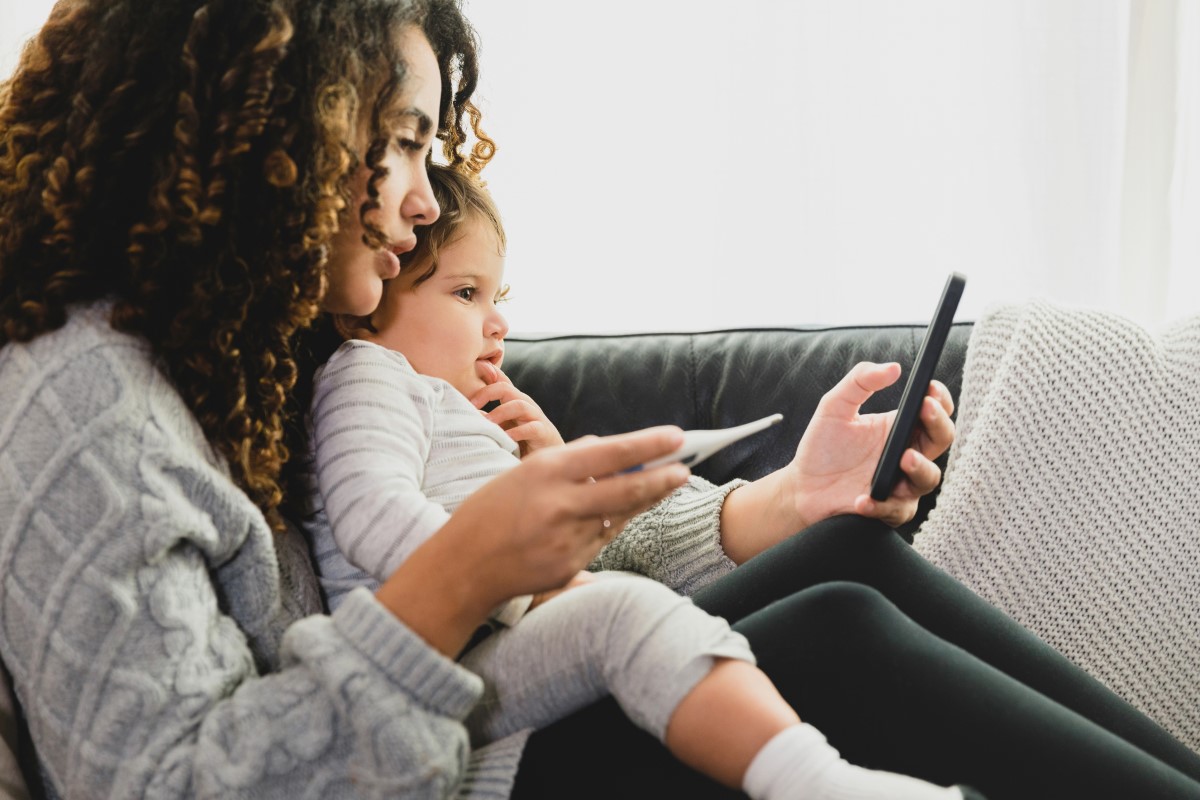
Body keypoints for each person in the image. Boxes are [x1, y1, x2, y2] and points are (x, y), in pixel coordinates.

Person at [1, 0, 1199, 798]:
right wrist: (459, 574)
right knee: (838, 636)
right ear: (266, 131)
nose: (425, 202)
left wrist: (776, 503)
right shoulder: (85, 415)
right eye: (404, 143)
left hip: (476, 713)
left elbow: (546, 573)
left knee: (852, 575)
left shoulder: (258, 345)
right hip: (445, 767)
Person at [305, 162, 971, 800]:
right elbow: (373, 517)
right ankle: (810, 781)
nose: (498, 322)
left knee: (838, 553)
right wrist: (526, 578)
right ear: (366, 305)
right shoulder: (371, 370)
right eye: (464, 292)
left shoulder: (460, 408)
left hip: (487, 653)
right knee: (622, 610)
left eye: (496, 295)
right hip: (430, 677)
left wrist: (545, 470)